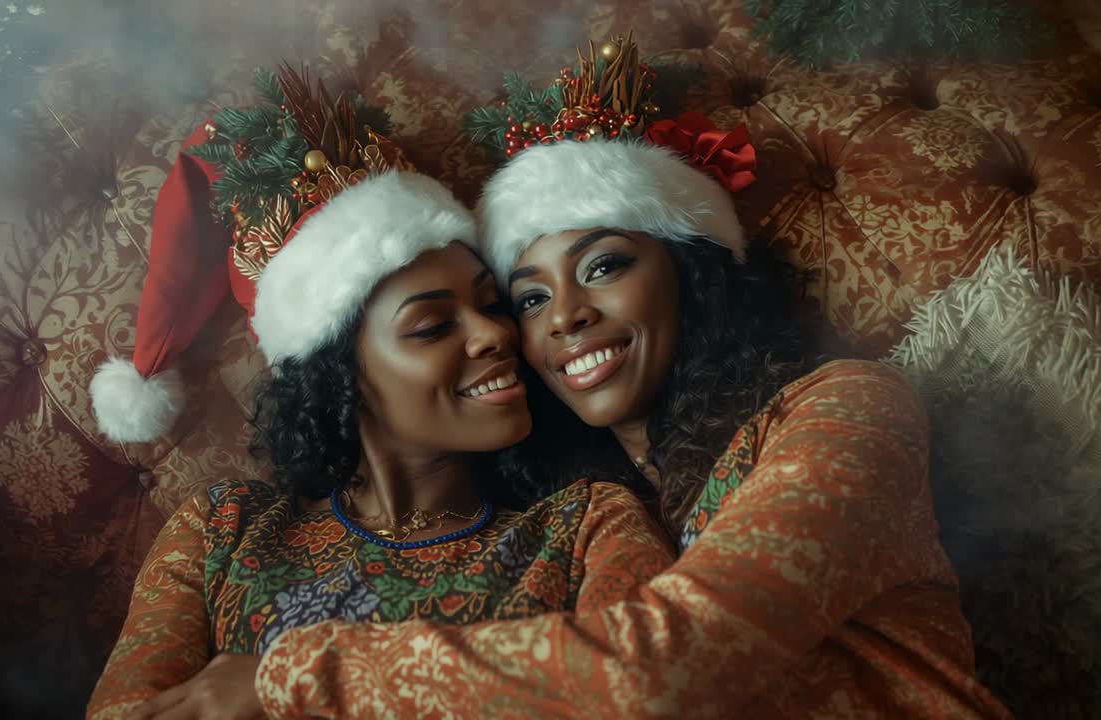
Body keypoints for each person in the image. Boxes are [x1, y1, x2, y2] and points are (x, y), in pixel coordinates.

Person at [245, 39, 1012, 719]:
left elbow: (662, 670)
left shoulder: (844, 408)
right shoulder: (585, 514)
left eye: (605, 267)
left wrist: (287, 677)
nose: (564, 319)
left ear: (690, 273)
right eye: (530, 298)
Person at [84, 68, 673, 720]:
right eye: (431, 326)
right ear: (344, 378)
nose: (496, 334)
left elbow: (646, 689)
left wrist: (295, 686)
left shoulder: (585, 529)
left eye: (492, 304)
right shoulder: (224, 533)